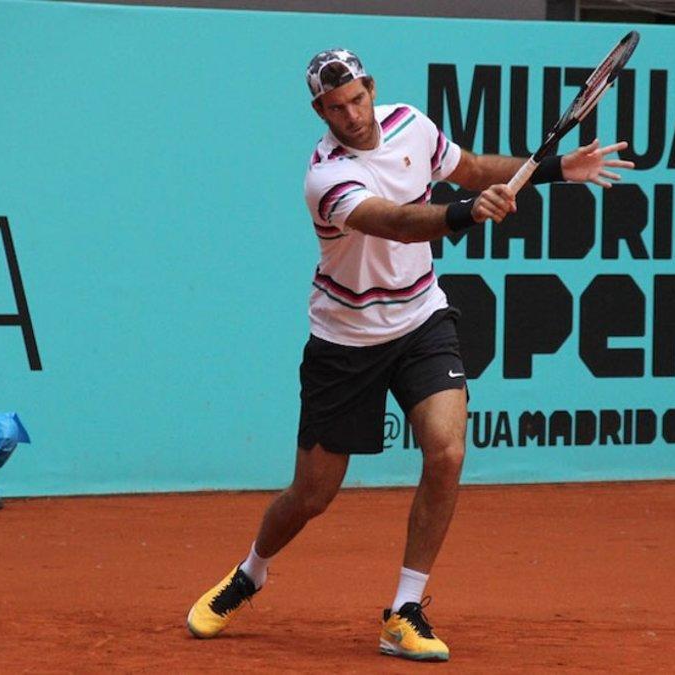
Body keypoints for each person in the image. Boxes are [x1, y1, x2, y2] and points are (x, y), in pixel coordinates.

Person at [187, 48, 633, 662]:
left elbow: (473, 167)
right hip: (345, 342)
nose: (351, 114)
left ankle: (405, 610)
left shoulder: (410, 124)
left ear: (371, 88)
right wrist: (463, 211)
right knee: (312, 494)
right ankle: (251, 572)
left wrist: (558, 168)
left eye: (357, 98)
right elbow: (395, 221)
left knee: (447, 450)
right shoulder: (326, 176)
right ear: (320, 110)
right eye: (335, 107)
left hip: (422, 319)